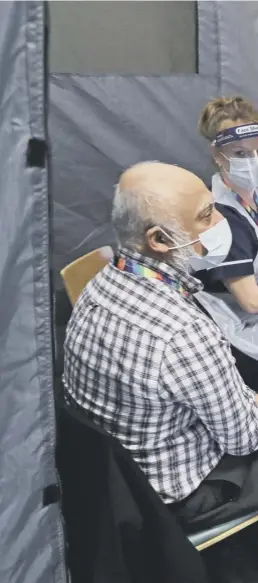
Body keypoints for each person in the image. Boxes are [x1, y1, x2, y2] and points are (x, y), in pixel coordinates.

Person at [63, 162, 258, 531]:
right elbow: (245, 438)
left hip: (121, 475)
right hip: (181, 492)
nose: (221, 221)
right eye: (207, 215)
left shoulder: (102, 281)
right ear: (160, 240)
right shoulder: (183, 334)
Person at [196, 96, 258, 388]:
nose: (253, 161)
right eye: (241, 154)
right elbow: (251, 301)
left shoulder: (248, 195)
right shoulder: (221, 214)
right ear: (218, 156)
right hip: (233, 327)